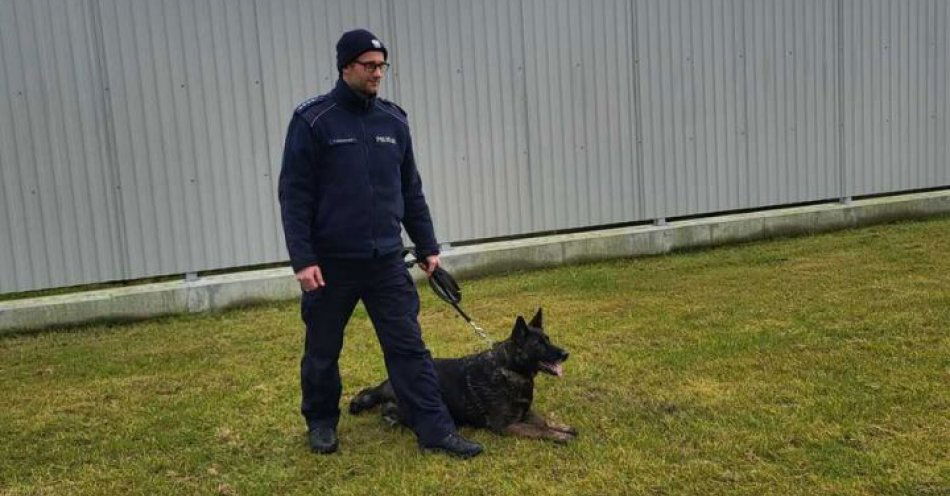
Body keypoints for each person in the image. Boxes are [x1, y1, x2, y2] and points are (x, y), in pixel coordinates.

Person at [277, 29, 483, 459]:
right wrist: (303, 258)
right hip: (330, 265)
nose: (377, 74)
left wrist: (427, 247)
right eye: (369, 65)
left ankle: (435, 429)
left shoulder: (393, 121)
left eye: (381, 65)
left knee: (409, 349)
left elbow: (411, 190)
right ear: (345, 66)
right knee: (322, 350)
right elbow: (294, 195)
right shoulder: (313, 121)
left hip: (387, 262)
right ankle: (320, 422)